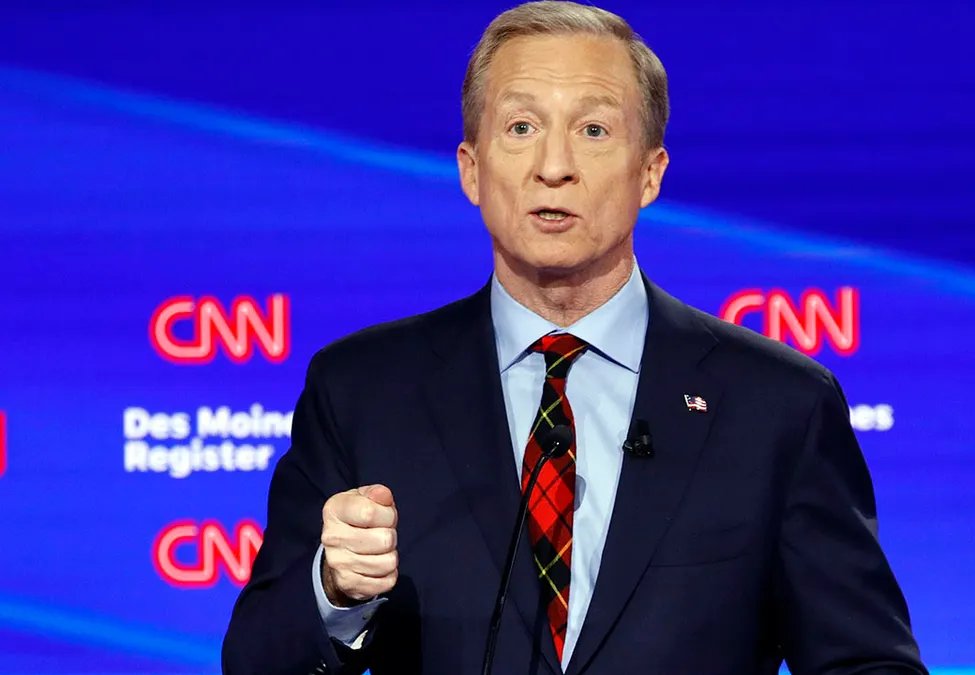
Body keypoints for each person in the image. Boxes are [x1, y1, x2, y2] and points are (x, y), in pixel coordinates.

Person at [222, 2, 926, 673]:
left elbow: (867, 661)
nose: (552, 166)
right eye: (521, 128)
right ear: (471, 168)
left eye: (592, 131)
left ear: (649, 174)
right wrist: (336, 593)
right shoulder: (361, 390)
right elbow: (256, 661)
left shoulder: (778, 404)